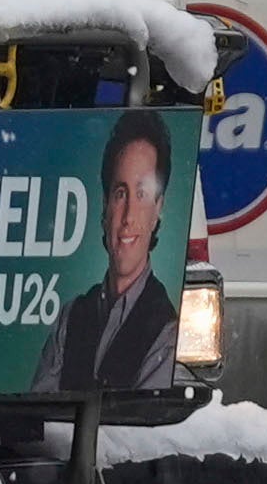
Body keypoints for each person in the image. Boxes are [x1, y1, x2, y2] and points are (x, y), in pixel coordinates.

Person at [38, 110, 186, 394]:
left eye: (142, 194)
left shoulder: (168, 334)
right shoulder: (72, 317)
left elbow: (138, 432)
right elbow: (40, 421)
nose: (129, 216)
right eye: (121, 193)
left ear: (158, 209)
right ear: (105, 206)